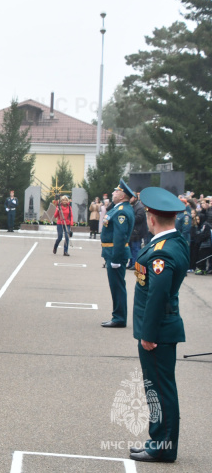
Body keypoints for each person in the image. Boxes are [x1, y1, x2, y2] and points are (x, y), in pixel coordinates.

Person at [128, 187, 189, 464]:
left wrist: (148, 334)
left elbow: (157, 295)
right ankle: (158, 440)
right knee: (158, 387)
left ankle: (161, 447)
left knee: (159, 389)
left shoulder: (163, 252)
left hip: (158, 331)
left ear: (151, 218)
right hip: (161, 327)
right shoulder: (172, 241)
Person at [100, 179, 135, 328]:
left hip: (116, 254)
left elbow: (120, 237)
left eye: (116, 191)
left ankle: (119, 318)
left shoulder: (122, 211)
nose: (113, 193)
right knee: (116, 286)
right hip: (112, 253)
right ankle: (118, 315)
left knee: (117, 287)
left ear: (122, 196)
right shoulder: (118, 208)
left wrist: (115, 258)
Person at [128, 192, 147, 269]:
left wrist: (129, 217)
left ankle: (136, 264)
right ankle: (131, 263)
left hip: (137, 232)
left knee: (136, 248)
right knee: (131, 248)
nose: (130, 199)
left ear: (135, 198)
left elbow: (139, 218)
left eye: (131, 197)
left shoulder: (140, 207)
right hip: (133, 232)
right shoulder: (133, 206)